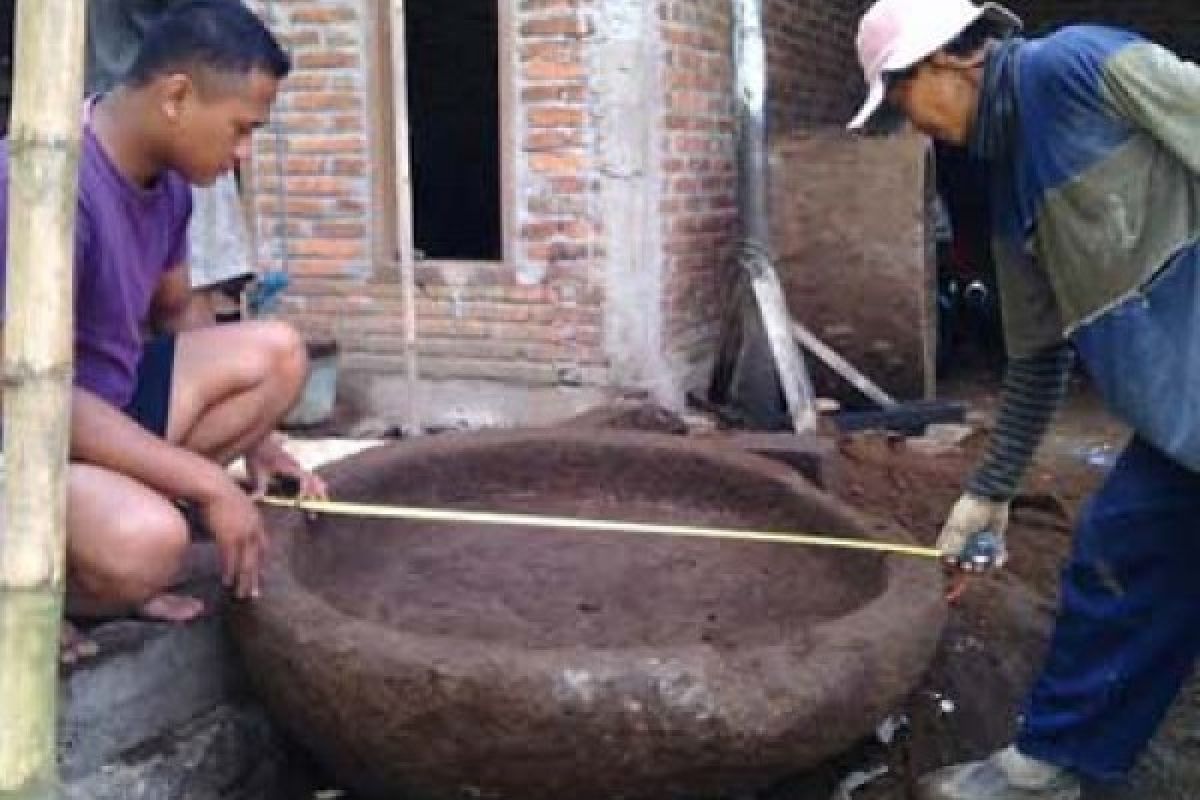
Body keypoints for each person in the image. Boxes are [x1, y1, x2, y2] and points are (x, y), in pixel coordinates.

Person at [847, 1, 1200, 798]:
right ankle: (1051, 769)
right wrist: (989, 492)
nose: (912, 126)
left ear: (945, 59)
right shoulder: (1008, 193)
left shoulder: (1079, 66)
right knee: (1120, 556)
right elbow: (1037, 362)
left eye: (900, 100)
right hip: (1180, 422)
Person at [0, 0, 326, 659]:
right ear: (176, 96)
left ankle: (100, 537)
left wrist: (259, 442)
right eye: (240, 129)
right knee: (150, 544)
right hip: (21, 438)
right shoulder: (41, 184)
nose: (241, 153)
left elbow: (176, 314)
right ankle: (40, 584)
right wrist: (206, 483)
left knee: (281, 353)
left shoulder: (169, 183)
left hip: (103, 412)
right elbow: (28, 395)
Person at [87, 0, 260, 319]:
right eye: (241, 131)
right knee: (198, 282)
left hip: (134, 101)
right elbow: (210, 26)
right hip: (168, 109)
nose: (244, 151)